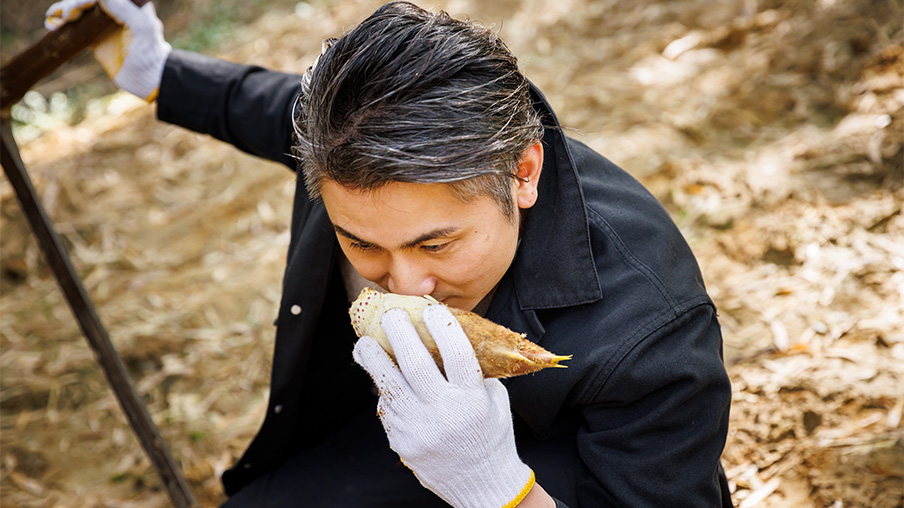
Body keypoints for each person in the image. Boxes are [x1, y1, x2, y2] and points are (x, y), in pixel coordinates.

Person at [45, 1, 734, 506]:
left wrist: (497, 488)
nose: (407, 283)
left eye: (436, 243)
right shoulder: (352, 146)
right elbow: (267, 106)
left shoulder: (652, 324)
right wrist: (161, 73)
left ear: (522, 175)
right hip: (377, 447)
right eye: (361, 243)